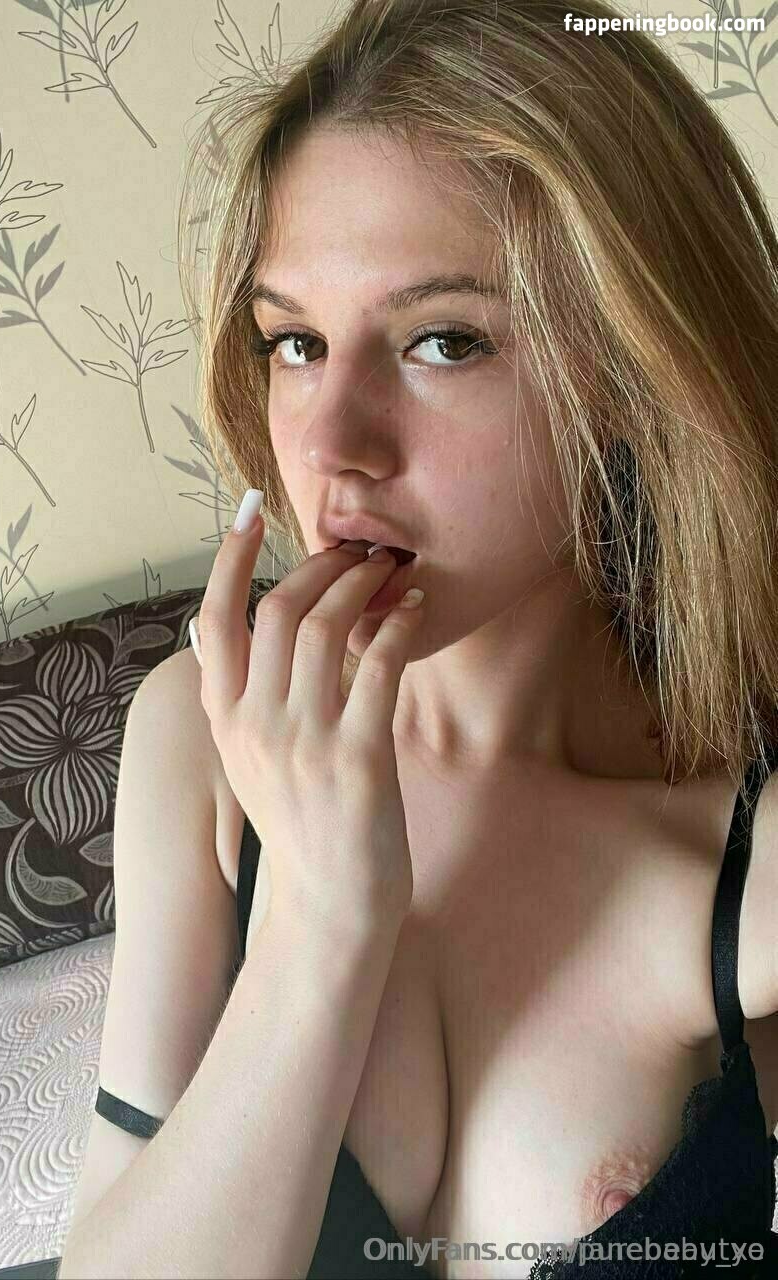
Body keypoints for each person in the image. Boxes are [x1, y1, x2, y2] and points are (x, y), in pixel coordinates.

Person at [59, 0, 778, 1276]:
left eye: (443, 341)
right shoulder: (198, 733)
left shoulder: (744, 856)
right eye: (296, 342)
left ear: (628, 369)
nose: (333, 446)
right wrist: (321, 919)